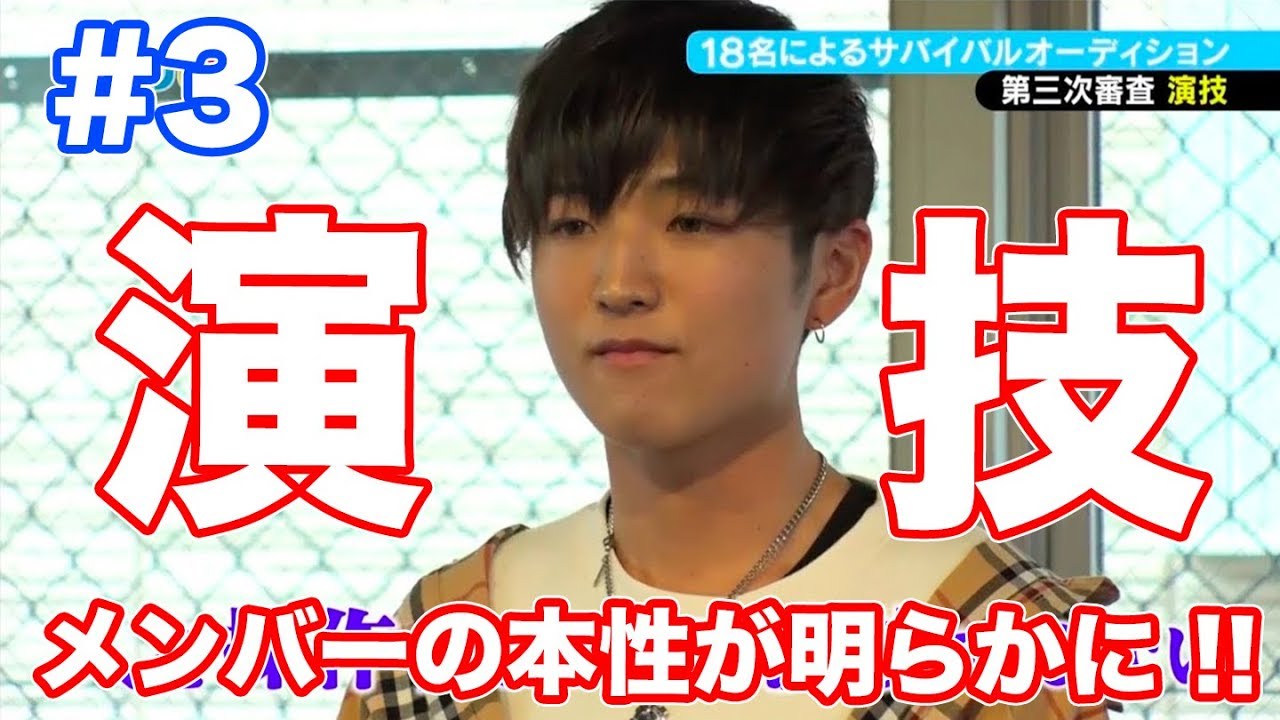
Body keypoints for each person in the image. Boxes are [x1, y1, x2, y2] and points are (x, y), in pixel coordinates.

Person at [339, 1, 1119, 718]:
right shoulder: (450, 643)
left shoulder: (985, 641)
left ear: (833, 271)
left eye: (691, 222)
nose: (619, 285)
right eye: (572, 224)